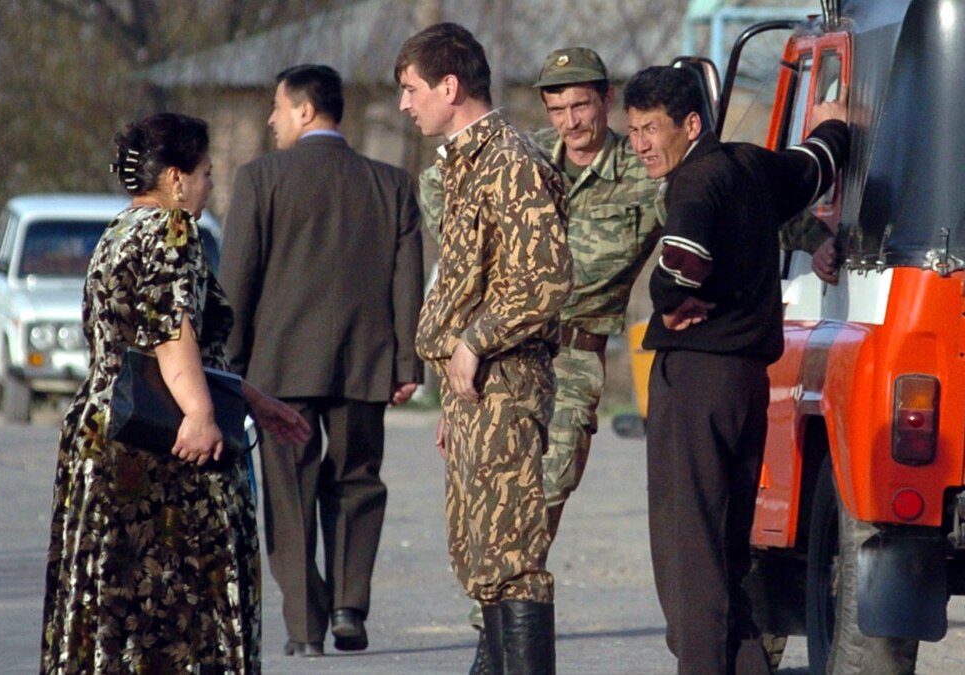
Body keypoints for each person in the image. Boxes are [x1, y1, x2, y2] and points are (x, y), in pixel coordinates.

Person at [40, 112, 311, 672]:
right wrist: (202, 415)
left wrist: (250, 398)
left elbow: (140, 345)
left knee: (114, 608)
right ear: (177, 178)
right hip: (159, 455)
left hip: (106, 433)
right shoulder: (172, 230)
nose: (211, 186)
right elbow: (171, 333)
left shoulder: (118, 231)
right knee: (178, 614)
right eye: (208, 173)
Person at [419, 45, 661, 644]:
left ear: (606, 100)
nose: (571, 122)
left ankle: (498, 643)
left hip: (573, 356)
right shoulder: (524, 160)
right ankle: (495, 639)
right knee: (480, 518)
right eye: (557, 109)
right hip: (499, 352)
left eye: (582, 106)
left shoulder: (640, 172)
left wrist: (813, 239)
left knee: (537, 499)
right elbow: (437, 185)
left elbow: (719, 198)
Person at [623, 66, 849, 674]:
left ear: (691, 124)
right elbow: (817, 164)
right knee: (725, 551)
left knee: (688, 556)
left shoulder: (694, 182)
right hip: (746, 385)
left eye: (651, 128)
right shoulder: (752, 164)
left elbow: (682, 263)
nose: (641, 142)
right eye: (634, 130)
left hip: (696, 381)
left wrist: (672, 299)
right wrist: (835, 129)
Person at [220, 64, 424, 658]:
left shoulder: (260, 179)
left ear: (305, 110)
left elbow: (237, 281)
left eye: (277, 108)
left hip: (279, 370)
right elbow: (406, 280)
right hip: (366, 364)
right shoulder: (392, 184)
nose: (271, 119)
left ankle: (306, 629)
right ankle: (347, 608)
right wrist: (406, 362)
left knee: (289, 494)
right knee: (359, 481)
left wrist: (227, 367)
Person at [395, 22, 572, 674]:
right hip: (472, 393)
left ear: (450, 85)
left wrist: (475, 340)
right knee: (479, 558)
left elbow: (546, 278)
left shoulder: (512, 163)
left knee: (511, 559)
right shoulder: (467, 166)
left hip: (506, 380)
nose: (405, 105)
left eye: (412, 89)